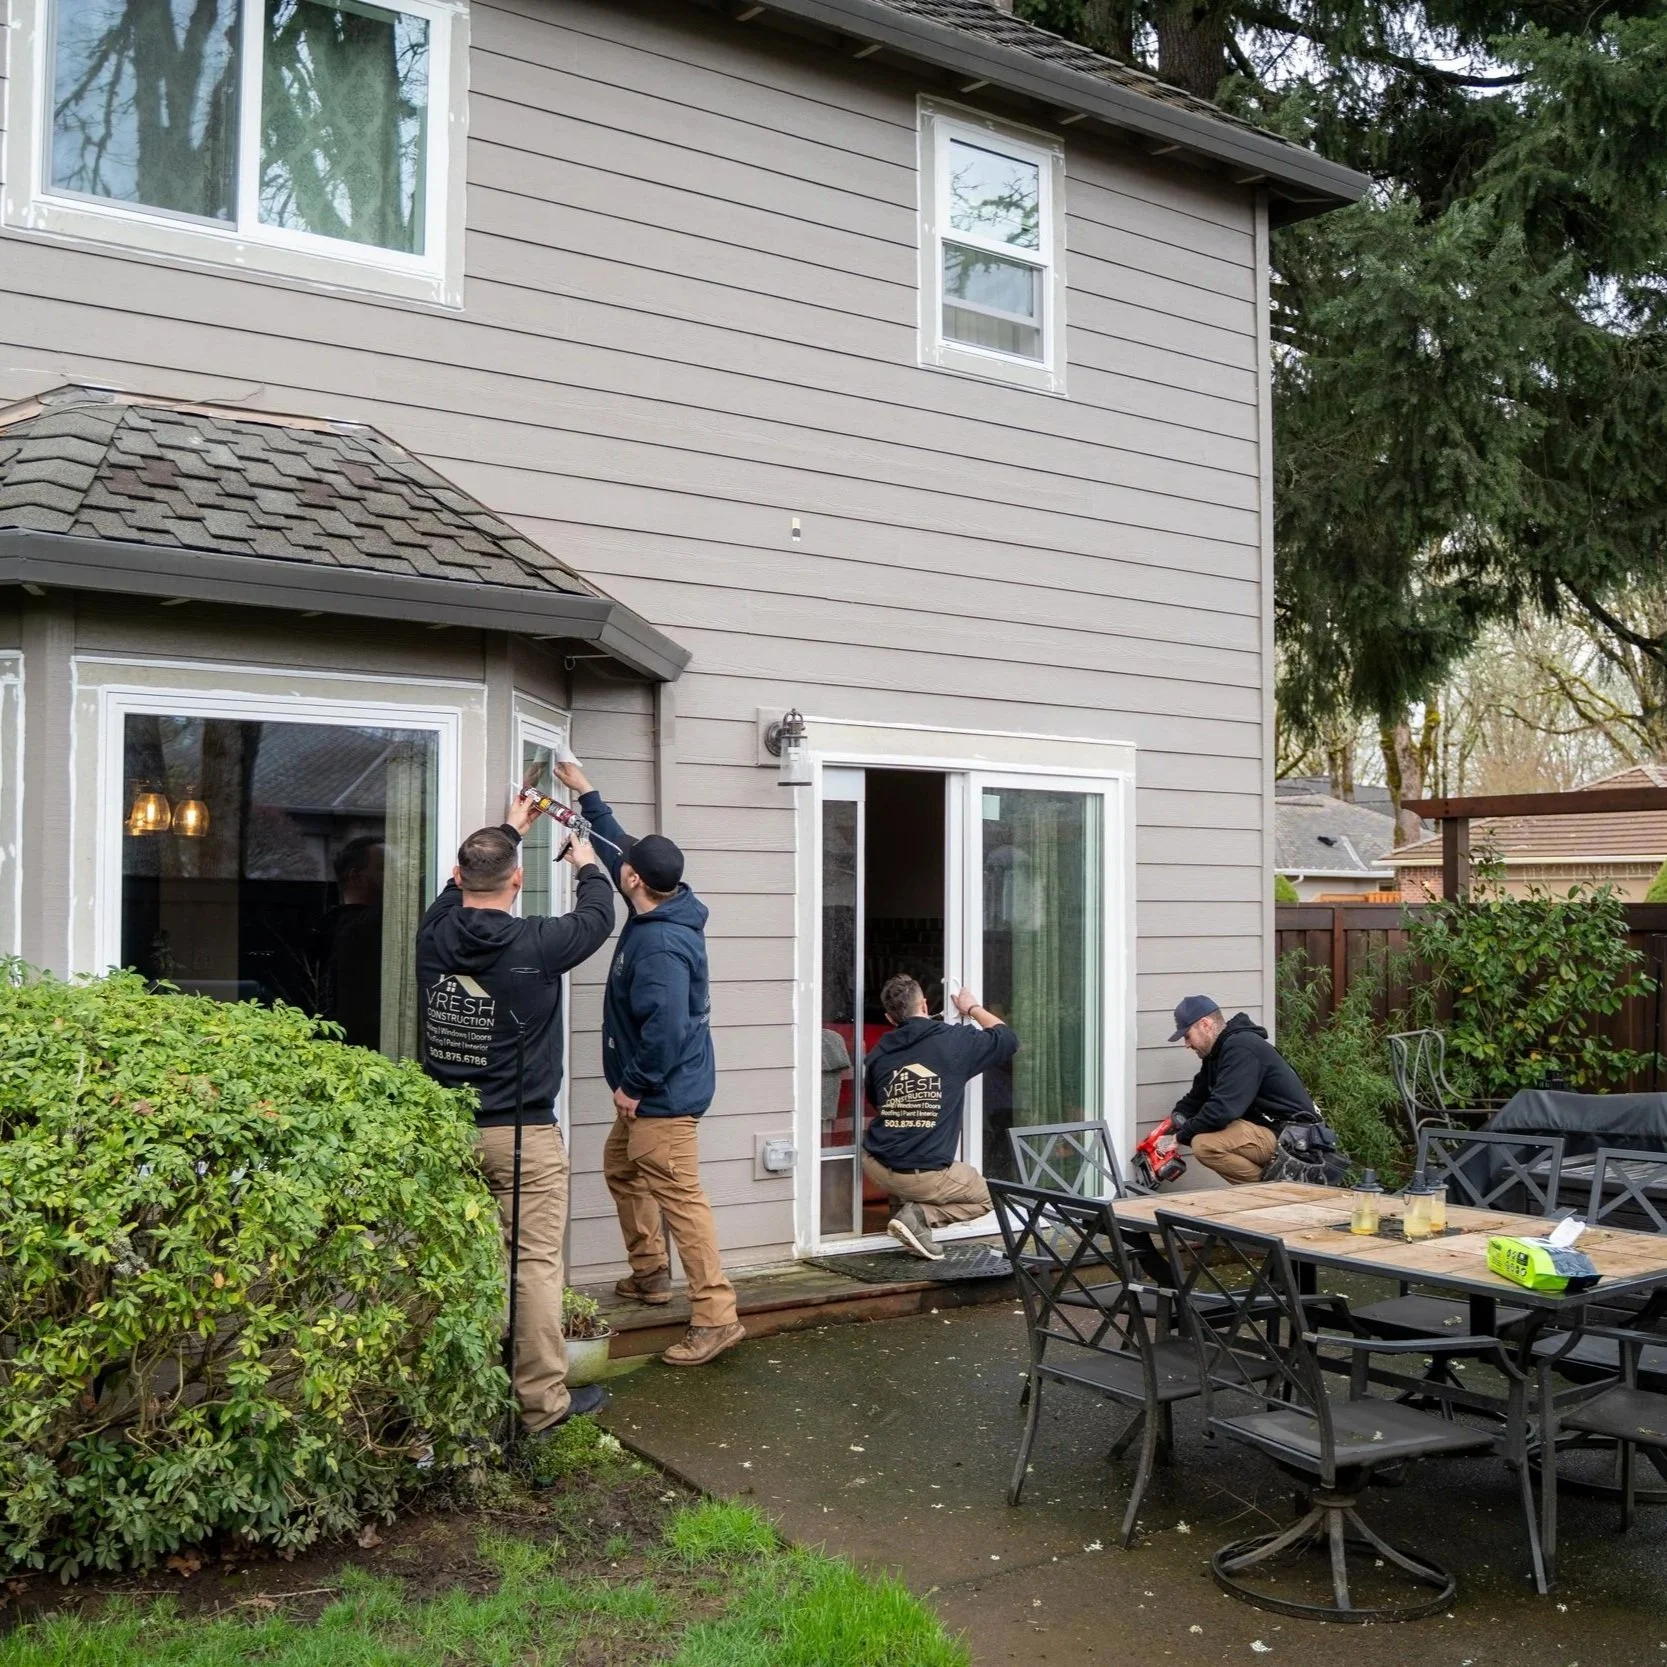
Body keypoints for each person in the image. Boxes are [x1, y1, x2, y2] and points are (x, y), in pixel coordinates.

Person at [416, 795, 616, 1439]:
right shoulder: (538, 942)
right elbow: (597, 914)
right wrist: (584, 857)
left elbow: (460, 882)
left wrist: (509, 827)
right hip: (521, 1136)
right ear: (519, 879)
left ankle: (461, 1406)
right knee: (531, 1268)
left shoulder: (435, 928)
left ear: (458, 874)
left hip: (447, 1129)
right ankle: (539, 1407)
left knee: (461, 1265)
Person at [554, 758, 746, 1368]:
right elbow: (619, 851)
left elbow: (667, 1029)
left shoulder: (661, 944)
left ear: (634, 881)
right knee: (621, 1166)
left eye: (625, 869)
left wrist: (634, 1087)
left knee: (683, 1205)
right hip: (652, 1092)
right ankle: (650, 1273)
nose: (621, 867)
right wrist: (585, 792)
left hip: (659, 1095)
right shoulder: (662, 903)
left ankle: (716, 1317)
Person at [862, 974, 1018, 1260]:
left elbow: (876, 1100)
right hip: (922, 1175)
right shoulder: (954, 1041)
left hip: (875, 1166)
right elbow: (1006, 1039)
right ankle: (918, 1216)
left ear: (889, 1017)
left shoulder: (879, 1051)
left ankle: (907, 1224)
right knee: (989, 1197)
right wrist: (972, 1008)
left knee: (908, 1148)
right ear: (924, 1005)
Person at [1167, 994, 1317, 1184]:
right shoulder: (1216, 1055)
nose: (1186, 1044)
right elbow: (1196, 1099)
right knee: (1207, 1136)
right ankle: (1270, 1190)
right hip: (1269, 1131)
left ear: (1205, 1025)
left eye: (1187, 1035)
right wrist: (1170, 1124)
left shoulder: (1242, 1048)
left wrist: (1181, 1136)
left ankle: (1269, 1194)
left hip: (1293, 1137)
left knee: (1204, 1145)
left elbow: (1222, 1110)